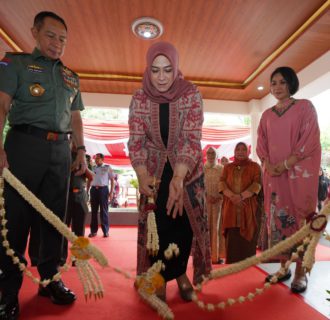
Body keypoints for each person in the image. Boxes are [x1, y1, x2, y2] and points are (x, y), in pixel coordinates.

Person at [0, 11, 87, 318]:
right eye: (51, 36)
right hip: (25, 145)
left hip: (61, 151)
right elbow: (2, 105)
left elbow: (75, 117)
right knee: (16, 218)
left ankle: (49, 280)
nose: (57, 44)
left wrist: (81, 151)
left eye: (62, 39)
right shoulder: (15, 64)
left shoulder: (70, 77)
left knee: (53, 219)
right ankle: (7, 289)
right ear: (35, 32)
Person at [128, 41, 211, 302]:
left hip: (187, 173)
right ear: (148, 70)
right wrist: (142, 176)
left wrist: (178, 177)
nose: (161, 77)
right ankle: (161, 276)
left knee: (184, 225)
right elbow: (136, 140)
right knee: (159, 225)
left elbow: (191, 138)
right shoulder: (139, 98)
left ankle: (182, 274)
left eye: (167, 70)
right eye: (155, 70)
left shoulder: (191, 94)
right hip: (153, 173)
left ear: (176, 69)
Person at [257, 66, 321, 293]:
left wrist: (285, 164)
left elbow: (310, 139)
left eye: (282, 82)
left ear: (291, 84)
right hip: (274, 179)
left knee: (299, 220)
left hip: (297, 176)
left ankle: (301, 272)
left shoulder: (304, 107)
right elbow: (261, 145)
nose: (277, 87)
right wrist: (267, 165)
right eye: (273, 83)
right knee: (277, 221)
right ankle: (283, 268)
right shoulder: (266, 115)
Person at [219, 142, 262, 263]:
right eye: (238, 149)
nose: (240, 151)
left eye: (243, 149)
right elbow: (221, 184)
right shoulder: (227, 167)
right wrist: (233, 197)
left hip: (248, 208)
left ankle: (248, 266)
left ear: (247, 151)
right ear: (234, 151)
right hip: (230, 207)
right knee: (232, 238)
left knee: (248, 237)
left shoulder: (254, 166)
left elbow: (256, 185)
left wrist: (241, 196)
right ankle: (232, 265)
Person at [62, 137, 94, 264]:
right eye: (73, 140)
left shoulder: (85, 158)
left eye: (77, 141)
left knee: (79, 228)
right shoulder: (62, 154)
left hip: (80, 195)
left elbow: (91, 176)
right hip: (64, 195)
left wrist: (83, 166)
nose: (75, 143)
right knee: (63, 228)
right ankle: (61, 258)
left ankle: (78, 257)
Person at [204, 147, 224, 264]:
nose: (211, 155)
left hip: (218, 203)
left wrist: (219, 196)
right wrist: (206, 196)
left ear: (217, 155)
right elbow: (198, 185)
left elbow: (225, 183)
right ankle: (204, 257)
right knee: (205, 228)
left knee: (216, 228)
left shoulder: (222, 168)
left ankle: (215, 257)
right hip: (205, 203)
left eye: (213, 153)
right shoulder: (202, 168)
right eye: (209, 153)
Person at [88, 153, 114, 238]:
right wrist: (87, 191)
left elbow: (112, 180)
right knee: (94, 211)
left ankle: (105, 231)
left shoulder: (107, 167)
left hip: (103, 190)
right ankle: (93, 231)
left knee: (104, 211)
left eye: (98, 158)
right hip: (93, 190)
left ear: (103, 159)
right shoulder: (92, 167)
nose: (96, 160)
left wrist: (111, 193)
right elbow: (89, 179)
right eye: (95, 158)